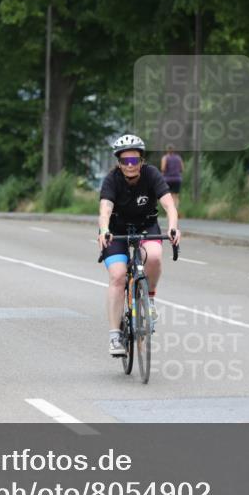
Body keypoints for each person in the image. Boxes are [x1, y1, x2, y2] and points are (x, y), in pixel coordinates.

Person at [97, 134, 181, 356]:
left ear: (141, 161)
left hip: (146, 226)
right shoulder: (111, 180)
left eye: (134, 161)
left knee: (153, 256)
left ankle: (149, 299)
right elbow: (105, 210)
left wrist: (173, 227)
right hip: (116, 231)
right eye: (125, 161)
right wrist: (104, 229)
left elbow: (169, 206)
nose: (130, 165)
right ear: (119, 163)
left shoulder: (152, 174)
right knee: (117, 276)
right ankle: (115, 336)